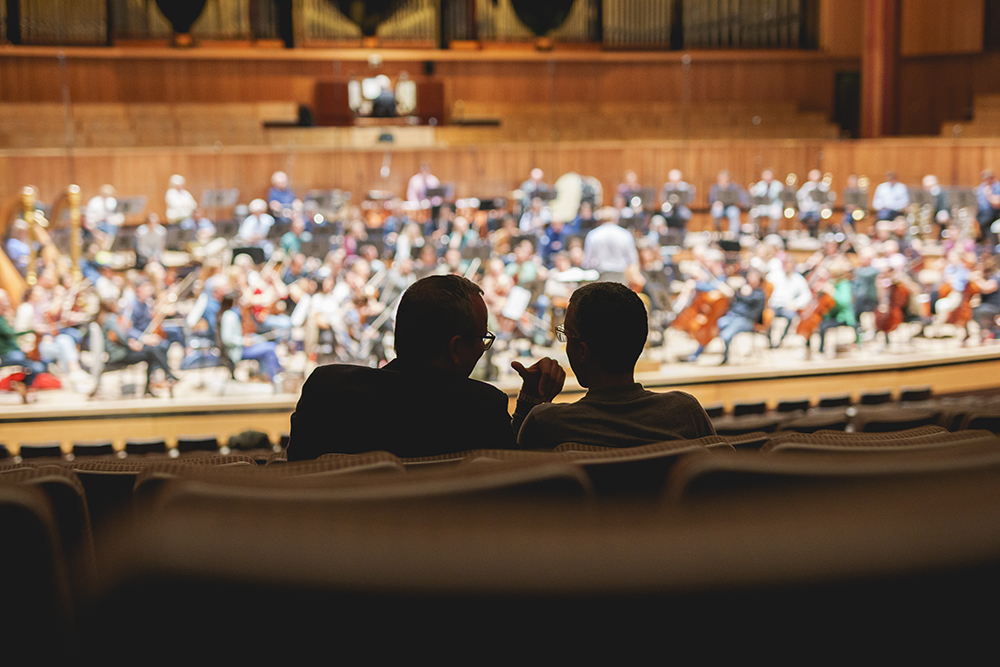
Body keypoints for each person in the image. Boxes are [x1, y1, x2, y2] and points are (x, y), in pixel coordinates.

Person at [287, 274, 565, 461]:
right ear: (455, 349)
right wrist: (529, 402)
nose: (483, 347)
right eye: (482, 338)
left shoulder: (326, 389)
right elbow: (514, 475)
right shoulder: (481, 407)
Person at [517, 282, 715, 450]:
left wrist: (529, 399)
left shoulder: (548, 423)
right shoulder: (686, 412)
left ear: (583, 352)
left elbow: (505, 469)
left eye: (566, 335)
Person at [684, 268, 768, 365]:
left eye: (754, 277)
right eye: (750, 277)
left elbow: (754, 314)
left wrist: (742, 295)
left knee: (725, 335)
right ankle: (697, 353)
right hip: (732, 317)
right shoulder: (742, 289)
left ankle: (726, 357)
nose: (751, 279)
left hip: (746, 320)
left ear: (759, 279)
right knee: (711, 327)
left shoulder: (759, 294)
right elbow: (732, 301)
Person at [217, 292, 284, 387]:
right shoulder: (229, 316)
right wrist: (243, 341)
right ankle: (275, 378)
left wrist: (251, 338)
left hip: (241, 346)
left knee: (266, 344)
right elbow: (227, 339)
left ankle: (270, 375)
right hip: (236, 351)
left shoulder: (232, 314)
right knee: (270, 349)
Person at [582, 207, 639, 284]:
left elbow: (587, 261)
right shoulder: (625, 234)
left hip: (600, 276)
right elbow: (633, 259)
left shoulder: (593, 235)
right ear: (615, 219)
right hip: (620, 276)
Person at [709, 171, 748, 236]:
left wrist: (739, 203)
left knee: (734, 212)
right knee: (716, 212)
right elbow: (710, 200)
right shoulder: (715, 188)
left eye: (725, 180)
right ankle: (718, 233)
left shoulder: (734, 187)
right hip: (719, 207)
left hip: (730, 207)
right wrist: (716, 203)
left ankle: (734, 235)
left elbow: (743, 197)